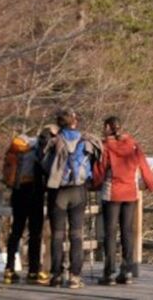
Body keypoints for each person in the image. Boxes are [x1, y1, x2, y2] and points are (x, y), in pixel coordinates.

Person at [94, 115, 153, 285]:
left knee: (110, 232)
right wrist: (151, 185)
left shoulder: (106, 146)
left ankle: (109, 273)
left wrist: (93, 184)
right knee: (127, 232)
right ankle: (127, 271)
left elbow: (100, 171)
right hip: (130, 192)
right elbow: (144, 165)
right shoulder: (133, 144)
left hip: (112, 192)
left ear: (108, 127)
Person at [42, 109, 101, 289]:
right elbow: (93, 164)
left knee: (57, 235)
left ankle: (56, 276)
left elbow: (44, 165)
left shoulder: (53, 141)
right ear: (74, 122)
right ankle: (75, 276)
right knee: (76, 235)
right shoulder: (85, 140)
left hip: (58, 191)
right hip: (78, 191)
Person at [2, 124, 57, 285]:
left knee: (16, 231)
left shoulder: (21, 145)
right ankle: (33, 270)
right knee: (35, 233)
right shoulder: (42, 147)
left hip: (18, 191)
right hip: (34, 192)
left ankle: (9, 269)